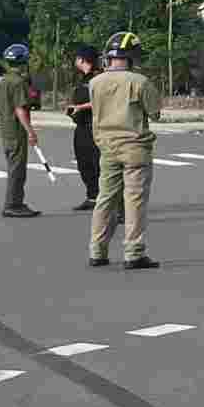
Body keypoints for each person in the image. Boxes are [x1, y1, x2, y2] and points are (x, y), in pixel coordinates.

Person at [88, 30, 164, 271]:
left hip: (106, 147)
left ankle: (97, 251)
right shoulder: (139, 81)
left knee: (105, 199)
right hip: (134, 149)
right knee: (134, 201)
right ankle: (134, 252)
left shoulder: (94, 82)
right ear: (132, 56)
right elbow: (155, 112)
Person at [0, 43, 39, 218]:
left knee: (14, 168)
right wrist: (30, 132)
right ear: (23, 62)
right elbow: (20, 109)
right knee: (17, 170)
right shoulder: (18, 82)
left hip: (6, 131)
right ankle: (13, 204)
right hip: (16, 131)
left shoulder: (3, 81)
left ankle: (16, 202)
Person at [65, 46, 102, 211]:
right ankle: (92, 197)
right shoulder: (82, 78)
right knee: (84, 163)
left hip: (95, 127)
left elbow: (102, 101)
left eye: (77, 58)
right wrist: (72, 109)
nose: (75, 61)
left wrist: (81, 107)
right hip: (81, 127)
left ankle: (104, 199)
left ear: (82, 59)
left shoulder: (99, 77)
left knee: (97, 164)